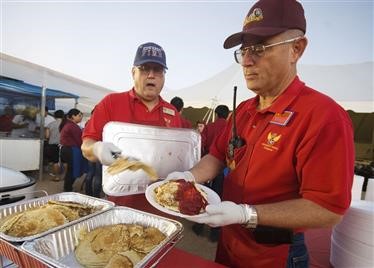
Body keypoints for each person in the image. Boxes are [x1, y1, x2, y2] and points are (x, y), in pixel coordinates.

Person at [166, 0, 354, 267]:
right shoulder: (243, 110)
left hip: (275, 253)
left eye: (259, 48)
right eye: (243, 51)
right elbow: (218, 156)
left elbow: (327, 210)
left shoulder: (324, 116)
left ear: (296, 49)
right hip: (229, 244)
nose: (246, 60)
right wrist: (187, 177)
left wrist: (246, 214)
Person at [81, 42, 182, 210]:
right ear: (133, 72)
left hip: (163, 206)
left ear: (163, 76)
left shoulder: (172, 112)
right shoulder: (111, 103)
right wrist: (97, 149)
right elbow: (86, 147)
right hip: (121, 204)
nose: (151, 75)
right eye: (144, 68)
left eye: (157, 70)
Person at [193, 104, 230, 241]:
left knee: (205, 196)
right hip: (225, 168)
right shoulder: (230, 127)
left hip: (208, 166)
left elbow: (201, 144)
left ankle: (199, 226)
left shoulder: (210, 127)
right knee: (219, 197)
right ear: (227, 115)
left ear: (216, 114)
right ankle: (215, 231)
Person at [60, 108, 85, 192]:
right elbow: (79, 141)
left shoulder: (68, 124)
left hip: (67, 149)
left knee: (70, 170)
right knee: (73, 170)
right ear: (73, 116)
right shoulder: (72, 126)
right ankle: (68, 189)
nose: (81, 117)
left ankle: (67, 187)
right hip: (71, 150)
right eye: (79, 115)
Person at [45, 109, 65, 180]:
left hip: (53, 145)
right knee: (65, 161)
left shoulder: (50, 124)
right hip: (64, 145)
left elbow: (47, 136)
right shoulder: (66, 124)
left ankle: (56, 177)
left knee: (55, 161)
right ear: (63, 116)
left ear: (54, 116)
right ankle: (65, 177)